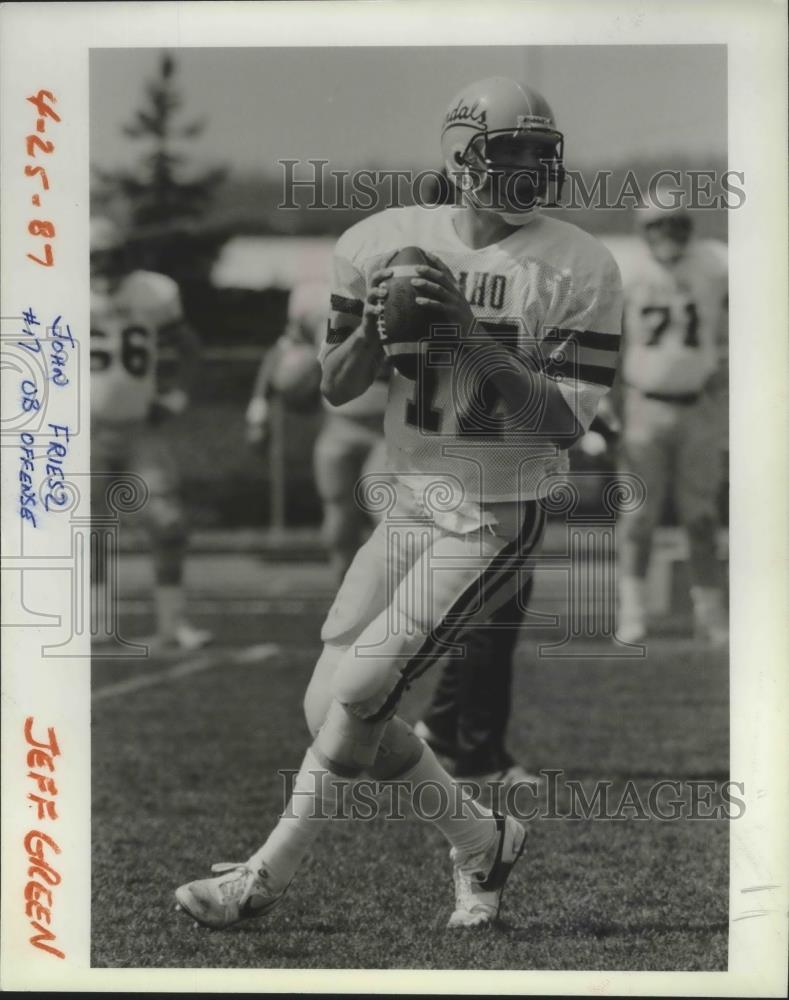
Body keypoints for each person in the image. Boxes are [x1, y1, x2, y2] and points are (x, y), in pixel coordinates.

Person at [175, 76, 622, 930]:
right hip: (410, 506)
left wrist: (466, 335)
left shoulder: (578, 265)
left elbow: (559, 424)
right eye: (510, 151)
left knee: (366, 683)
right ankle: (481, 838)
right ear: (460, 158)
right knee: (333, 710)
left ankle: (264, 874)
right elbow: (336, 390)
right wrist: (379, 329)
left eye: (541, 152)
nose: (531, 168)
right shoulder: (382, 241)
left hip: (499, 510)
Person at [609, 188, 729, 646]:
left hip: (699, 405)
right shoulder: (627, 270)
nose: (668, 232)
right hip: (644, 403)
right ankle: (633, 612)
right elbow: (610, 339)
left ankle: (711, 613)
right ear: (644, 230)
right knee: (638, 517)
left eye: (676, 222)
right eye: (658, 224)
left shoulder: (715, 263)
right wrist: (609, 400)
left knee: (701, 517)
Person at [90, 216, 212, 652]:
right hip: (82, 432)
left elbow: (189, 347)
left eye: (108, 257)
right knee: (88, 529)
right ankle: (98, 623)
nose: (101, 268)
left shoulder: (153, 291)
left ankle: (171, 625)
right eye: (92, 259)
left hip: (140, 428)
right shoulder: (56, 291)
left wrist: (175, 397)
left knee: (168, 523)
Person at [246, 279, 389, 584]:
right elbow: (279, 353)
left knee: (387, 512)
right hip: (339, 425)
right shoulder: (320, 305)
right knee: (338, 521)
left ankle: (396, 600)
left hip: (391, 427)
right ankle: (345, 598)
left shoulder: (398, 296)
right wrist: (258, 410)